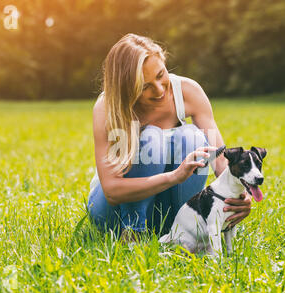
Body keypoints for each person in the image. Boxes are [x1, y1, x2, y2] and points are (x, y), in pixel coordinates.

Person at [87, 33, 252, 241]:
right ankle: (133, 234)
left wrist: (240, 193)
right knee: (151, 137)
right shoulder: (107, 106)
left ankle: (179, 232)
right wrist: (174, 176)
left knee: (192, 136)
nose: (158, 90)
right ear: (126, 87)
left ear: (164, 62)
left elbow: (219, 158)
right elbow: (111, 191)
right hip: (113, 215)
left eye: (160, 75)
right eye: (144, 86)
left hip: (164, 211)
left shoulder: (188, 92)